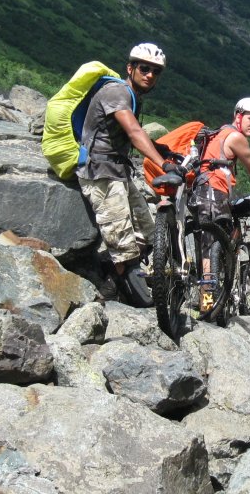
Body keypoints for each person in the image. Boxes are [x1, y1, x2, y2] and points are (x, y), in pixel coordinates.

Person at [76, 43, 180, 304]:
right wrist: (162, 165)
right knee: (122, 243)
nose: (150, 75)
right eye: (144, 68)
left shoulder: (132, 96)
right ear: (130, 68)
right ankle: (123, 297)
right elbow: (134, 133)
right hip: (100, 173)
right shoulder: (116, 92)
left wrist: (163, 150)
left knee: (148, 232)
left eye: (156, 71)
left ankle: (112, 281)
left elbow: (131, 133)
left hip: (119, 173)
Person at [191, 97, 250, 311]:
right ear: (238, 116)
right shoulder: (235, 137)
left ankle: (208, 299)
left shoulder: (219, 133)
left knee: (208, 245)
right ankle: (207, 303)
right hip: (213, 192)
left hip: (200, 191)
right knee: (210, 247)